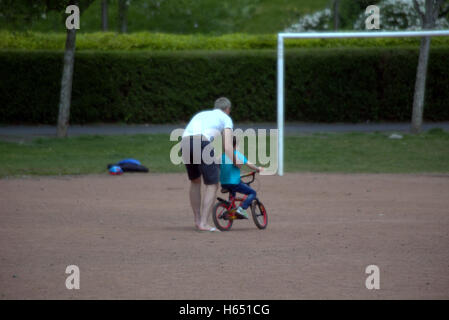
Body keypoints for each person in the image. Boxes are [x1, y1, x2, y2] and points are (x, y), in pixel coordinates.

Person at [181, 97, 235, 232]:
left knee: (195, 181)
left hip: (185, 143)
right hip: (201, 144)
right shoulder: (226, 118)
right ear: (227, 109)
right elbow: (228, 146)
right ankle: (204, 223)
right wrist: (237, 162)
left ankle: (198, 220)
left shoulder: (202, 114)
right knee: (212, 184)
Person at [220, 136, 263, 219]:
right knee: (252, 193)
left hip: (224, 183)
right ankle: (241, 209)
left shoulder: (222, 156)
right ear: (235, 145)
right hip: (234, 183)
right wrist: (258, 169)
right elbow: (249, 164)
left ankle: (230, 205)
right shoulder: (237, 154)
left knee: (233, 190)